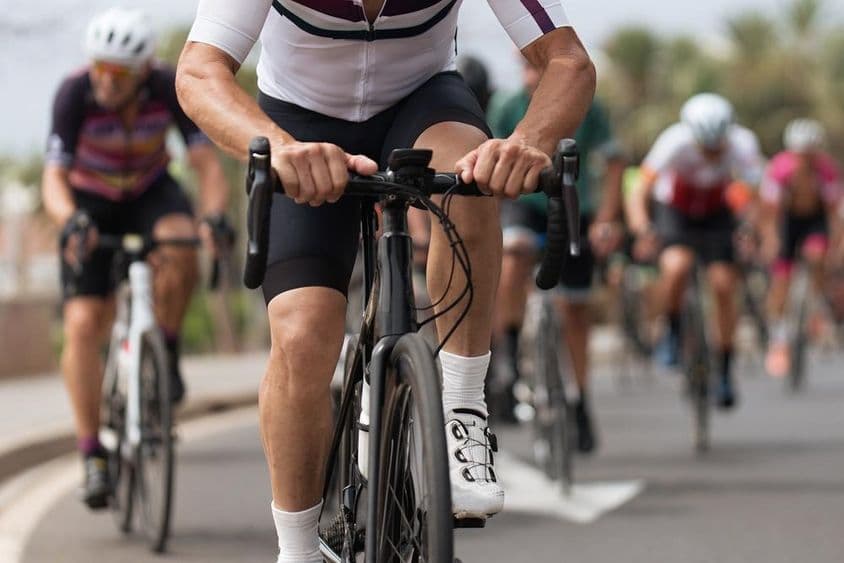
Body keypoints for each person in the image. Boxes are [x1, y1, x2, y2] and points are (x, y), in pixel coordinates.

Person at [176, 0, 595, 560]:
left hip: (424, 105)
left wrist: (527, 142)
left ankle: (463, 412)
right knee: (302, 335)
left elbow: (568, 61)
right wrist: (278, 148)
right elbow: (198, 70)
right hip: (301, 124)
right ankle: (297, 549)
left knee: (471, 176)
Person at [42, 8, 231, 510]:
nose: (106, 81)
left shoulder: (166, 87)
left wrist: (214, 216)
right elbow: (53, 178)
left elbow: (205, 165)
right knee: (84, 323)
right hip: (91, 198)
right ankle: (92, 454)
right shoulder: (73, 94)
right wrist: (70, 220)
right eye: (99, 68)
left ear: (143, 70)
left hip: (149, 190)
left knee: (181, 241)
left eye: (119, 73)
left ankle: (165, 346)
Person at [487, 54, 626, 452]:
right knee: (514, 253)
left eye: (541, 69)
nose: (533, 77)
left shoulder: (590, 107)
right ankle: (510, 354)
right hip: (524, 205)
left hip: (572, 205)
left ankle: (580, 402)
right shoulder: (507, 105)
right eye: (528, 68)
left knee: (575, 311)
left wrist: (607, 219)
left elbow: (614, 162)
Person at [626, 93, 766, 409]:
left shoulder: (743, 143)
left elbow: (756, 196)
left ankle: (725, 369)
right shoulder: (674, 142)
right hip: (676, 210)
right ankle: (673, 330)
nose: (712, 154)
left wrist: (750, 229)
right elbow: (640, 189)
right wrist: (642, 227)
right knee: (676, 266)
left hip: (717, 212)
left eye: (718, 148)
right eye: (706, 148)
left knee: (723, 285)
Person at [759, 119, 843, 376]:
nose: (805, 159)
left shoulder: (826, 170)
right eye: (800, 154)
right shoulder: (780, 169)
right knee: (781, 279)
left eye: (809, 154)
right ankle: (778, 337)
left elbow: (833, 212)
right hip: (787, 221)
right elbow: (769, 211)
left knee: (817, 256)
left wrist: (836, 246)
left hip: (814, 221)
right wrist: (770, 239)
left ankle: (815, 303)